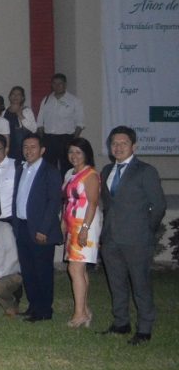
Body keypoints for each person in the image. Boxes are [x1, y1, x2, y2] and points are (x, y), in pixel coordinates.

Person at [100, 126, 165, 345]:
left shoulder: (146, 171)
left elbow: (159, 206)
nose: (118, 147)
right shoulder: (106, 171)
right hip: (111, 239)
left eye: (124, 143)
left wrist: (146, 230)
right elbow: (108, 205)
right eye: (114, 143)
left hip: (137, 239)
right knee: (116, 283)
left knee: (140, 285)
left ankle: (144, 329)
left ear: (134, 146)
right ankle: (121, 323)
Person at [11, 134, 63, 323]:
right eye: (25, 146)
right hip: (23, 227)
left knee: (42, 271)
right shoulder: (21, 169)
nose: (28, 150)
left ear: (42, 150)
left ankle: (44, 310)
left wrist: (44, 229)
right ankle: (33, 306)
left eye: (33, 147)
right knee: (28, 270)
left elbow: (54, 202)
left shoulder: (50, 171)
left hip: (41, 229)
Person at [61, 137, 101, 328]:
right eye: (71, 152)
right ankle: (84, 311)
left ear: (86, 154)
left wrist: (85, 229)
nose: (74, 156)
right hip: (72, 223)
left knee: (74, 268)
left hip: (85, 224)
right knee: (79, 269)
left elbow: (92, 203)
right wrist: (63, 221)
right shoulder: (70, 173)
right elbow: (68, 200)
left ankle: (79, 314)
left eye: (78, 152)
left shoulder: (90, 174)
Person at [36, 73, 85, 176]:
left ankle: (67, 185)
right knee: (49, 168)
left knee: (67, 167)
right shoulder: (46, 100)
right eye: (54, 83)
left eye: (60, 83)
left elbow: (80, 123)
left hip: (66, 138)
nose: (57, 86)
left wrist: (73, 141)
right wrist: (42, 139)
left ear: (65, 84)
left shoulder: (74, 101)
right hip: (49, 138)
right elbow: (40, 122)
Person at [4, 86, 37, 160]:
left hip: (21, 146)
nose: (15, 96)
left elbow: (34, 129)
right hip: (7, 145)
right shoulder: (4, 111)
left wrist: (20, 115)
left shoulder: (26, 110)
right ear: (9, 96)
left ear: (22, 98)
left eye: (18, 94)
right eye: (13, 94)